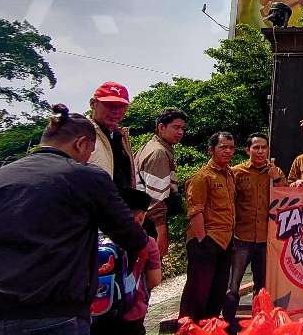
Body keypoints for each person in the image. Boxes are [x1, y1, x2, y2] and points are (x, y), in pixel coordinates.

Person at [0, 104, 148, 335]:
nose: (88, 159)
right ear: (81, 144)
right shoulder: (86, 177)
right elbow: (130, 235)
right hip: (53, 313)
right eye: (90, 152)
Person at [180, 132, 238, 327]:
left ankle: (209, 328)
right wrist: (202, 240)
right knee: (197, 292)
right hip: (206, 241)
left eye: (231, 147)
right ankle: (189, 328)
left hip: (225, 241)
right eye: (223, 147)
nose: (228, 151)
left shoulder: (230, 174)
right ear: (211, 149)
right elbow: (195, 211)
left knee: (217, 292)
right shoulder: (201, 177)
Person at [93, 189, 162, 335]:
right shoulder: (147, 242)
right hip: (132, 311)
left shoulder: (94, 239)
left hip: (98, 311)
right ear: (140, 217)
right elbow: (154, 280)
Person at [229, 134, 284, 312]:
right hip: (241, 237)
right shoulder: (236, 172)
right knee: (233, 285)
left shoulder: (275, 172)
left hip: (265, 239)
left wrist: (276, 178)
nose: (260, 151)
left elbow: (289, 196)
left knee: (262, 287)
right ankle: (229, 324)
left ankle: (258, 323)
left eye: (264, 148)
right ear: (248, 150)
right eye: (256, 147)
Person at [135, 108, 186, 258]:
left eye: (182, 128)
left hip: (141, 219)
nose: (180, 132)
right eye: (175, 127)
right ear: (161, 127)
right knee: (150, 265)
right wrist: (162, 233)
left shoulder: (152, 146)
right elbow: (155, 199)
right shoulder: (158, 152)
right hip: (147, 222)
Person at [89, 81, 136, 187]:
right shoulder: (82, 134)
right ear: (93, 104)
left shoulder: (120, 136)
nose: (116, 111)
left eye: (121, 106)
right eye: (110, 104)